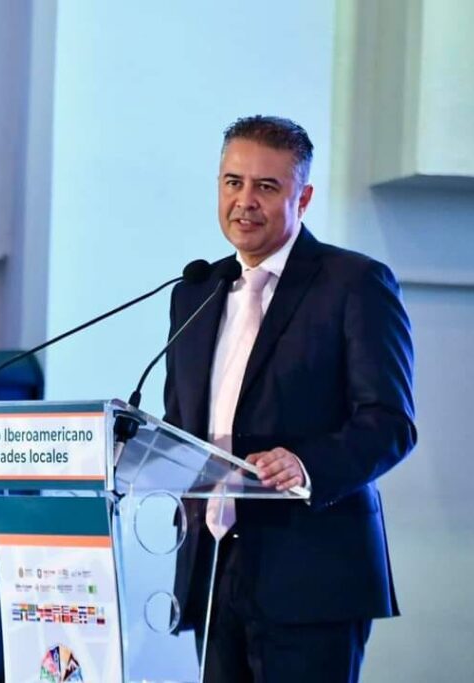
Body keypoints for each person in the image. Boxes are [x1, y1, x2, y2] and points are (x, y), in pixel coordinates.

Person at [164, 115, 416, 682]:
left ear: (302, 198)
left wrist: (307, 464)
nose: (244, 202)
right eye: (233, 182)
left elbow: (390, 422)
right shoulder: (195, 291)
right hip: (213, 568)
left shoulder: (354, 283)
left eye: (266, 187)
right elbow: (181, 424)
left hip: (313, 575)